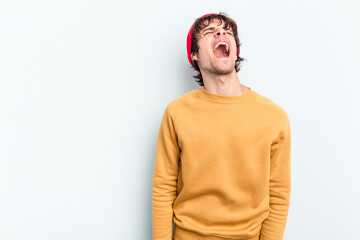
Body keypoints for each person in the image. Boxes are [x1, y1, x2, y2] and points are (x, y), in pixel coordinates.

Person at [152, 12, 291, 240]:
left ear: (236, 50)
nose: (220, 32)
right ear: (194, 55)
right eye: (209, 32)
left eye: (227, 31)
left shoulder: (274, 117)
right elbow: (163, 189)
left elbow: (279, 195)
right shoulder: (176, 113)